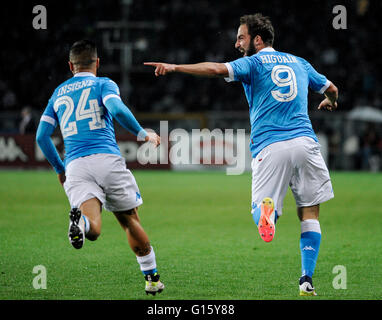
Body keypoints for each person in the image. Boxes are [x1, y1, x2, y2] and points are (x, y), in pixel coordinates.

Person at [144, 13, 338, 296]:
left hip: (271, 145)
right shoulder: (299, 62)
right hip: (306, 143)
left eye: (241, 37)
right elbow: (332, 89)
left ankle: (267, 213)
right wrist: (329, 102)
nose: (237, 44)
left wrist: (175, 67)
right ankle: (306, 279)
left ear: (257, 40)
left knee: (260, 209)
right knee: (310, 213)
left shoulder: (254, 62)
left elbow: (215, 70)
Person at [36, 40, 164, 295]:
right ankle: (151, 279)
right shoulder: (103, 83)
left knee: (93, 229)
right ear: (97, 63)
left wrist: (60, 170)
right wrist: (142, 133)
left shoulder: (58, 93)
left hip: (75, 165)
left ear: (70, 65)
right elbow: (116, 108)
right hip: (106, 159)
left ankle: (81, 224)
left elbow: (41, 136)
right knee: (128, 220)